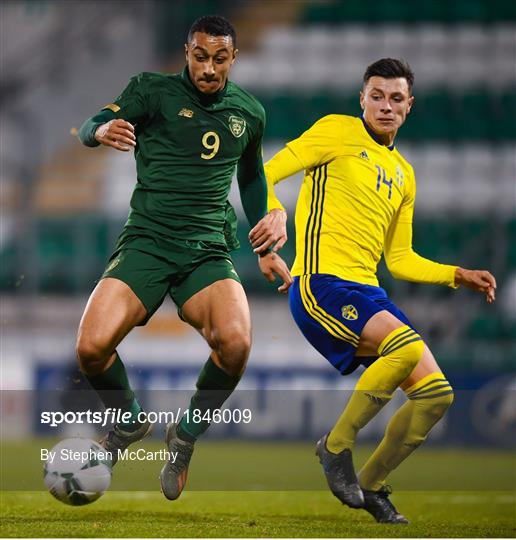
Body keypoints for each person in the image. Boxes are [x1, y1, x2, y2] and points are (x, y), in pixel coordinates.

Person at [249, 58, 496, 524]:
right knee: (403, 348)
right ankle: (335, 446)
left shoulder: (403, 172)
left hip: (368, 292)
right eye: (376, 96)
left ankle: (374, 486)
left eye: (396, 98)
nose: (385, 106)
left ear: (410, 106)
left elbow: (398, 258)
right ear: (362, 99)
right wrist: (273, 213)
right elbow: (266, 170)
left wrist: (455, 274)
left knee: (437, 395)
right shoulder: (336, 131)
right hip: (320, 284)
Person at [76, 15, 291, 502]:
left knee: (235, 344)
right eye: (200, 56)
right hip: (147, 242)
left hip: (207, 251)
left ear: (233, 58)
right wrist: (100, 131)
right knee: (90, 349)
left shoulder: (248, 113)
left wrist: (266, 246)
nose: (209, 69)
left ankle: (185, 435)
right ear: (187, 52)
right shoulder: (150, 91)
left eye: (220, 58)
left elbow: (253, 178)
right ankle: (129, 424)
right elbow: (91, 123)